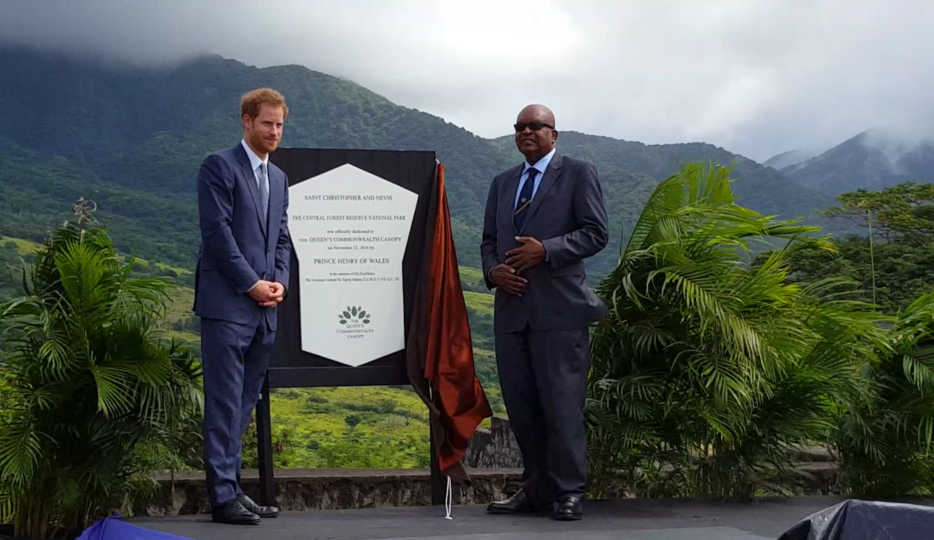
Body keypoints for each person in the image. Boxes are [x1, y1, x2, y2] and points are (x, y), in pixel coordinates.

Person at [481, 104, 608, 521]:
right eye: (520, 127)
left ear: (554, 134)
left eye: (536, 126)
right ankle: (535, 489)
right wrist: (493, 272)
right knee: (523, 409)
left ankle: (569, 491)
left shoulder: (577, 173)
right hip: (511, 312)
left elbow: (596, 233)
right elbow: (488, 241)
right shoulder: (503, 183)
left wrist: (547, 250)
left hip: (560, 312)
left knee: (562, 407)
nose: (526, 131)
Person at [194, 88, 292, 525]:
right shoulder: (218, 166)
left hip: (264, 310)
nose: (274, 131)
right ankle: (221, 497)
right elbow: (217, 235)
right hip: (226, 306)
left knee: (244, 402)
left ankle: (232, 488)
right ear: (247, 121)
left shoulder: (280, 178)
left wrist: (279, 283)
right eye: (267, 123)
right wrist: (252, 284)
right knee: (223, 403)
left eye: (280, 125)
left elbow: (282, 239)